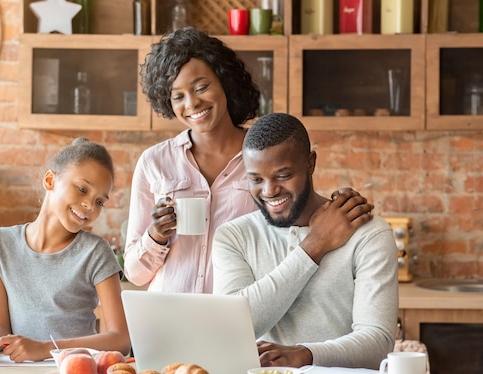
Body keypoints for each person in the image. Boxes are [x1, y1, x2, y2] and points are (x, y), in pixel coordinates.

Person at [124, 27, 367, 293]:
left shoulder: (264, 158)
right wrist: (156, 235)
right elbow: (134, 274)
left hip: (242, 318)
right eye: (178, 96)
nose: (192, 103)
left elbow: (297, 225)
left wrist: (341, 205)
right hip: (167, 320)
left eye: (201, 87)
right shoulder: (154, 162)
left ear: (224, 83)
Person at [212, 113, 399, 370]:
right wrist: (315, 244)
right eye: (256, 179)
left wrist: (303, 355)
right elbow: (230, 325)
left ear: (310, 163)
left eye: (283, 175)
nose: (269, 191)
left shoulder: (368, 234)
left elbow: (378, 343)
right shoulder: (233, 236)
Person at [0, 138, 131, 363]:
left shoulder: (95, 252)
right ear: (50, 180)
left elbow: (121, 339)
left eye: (100, 202)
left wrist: (46, 349)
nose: (90, 206)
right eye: (82, 189)